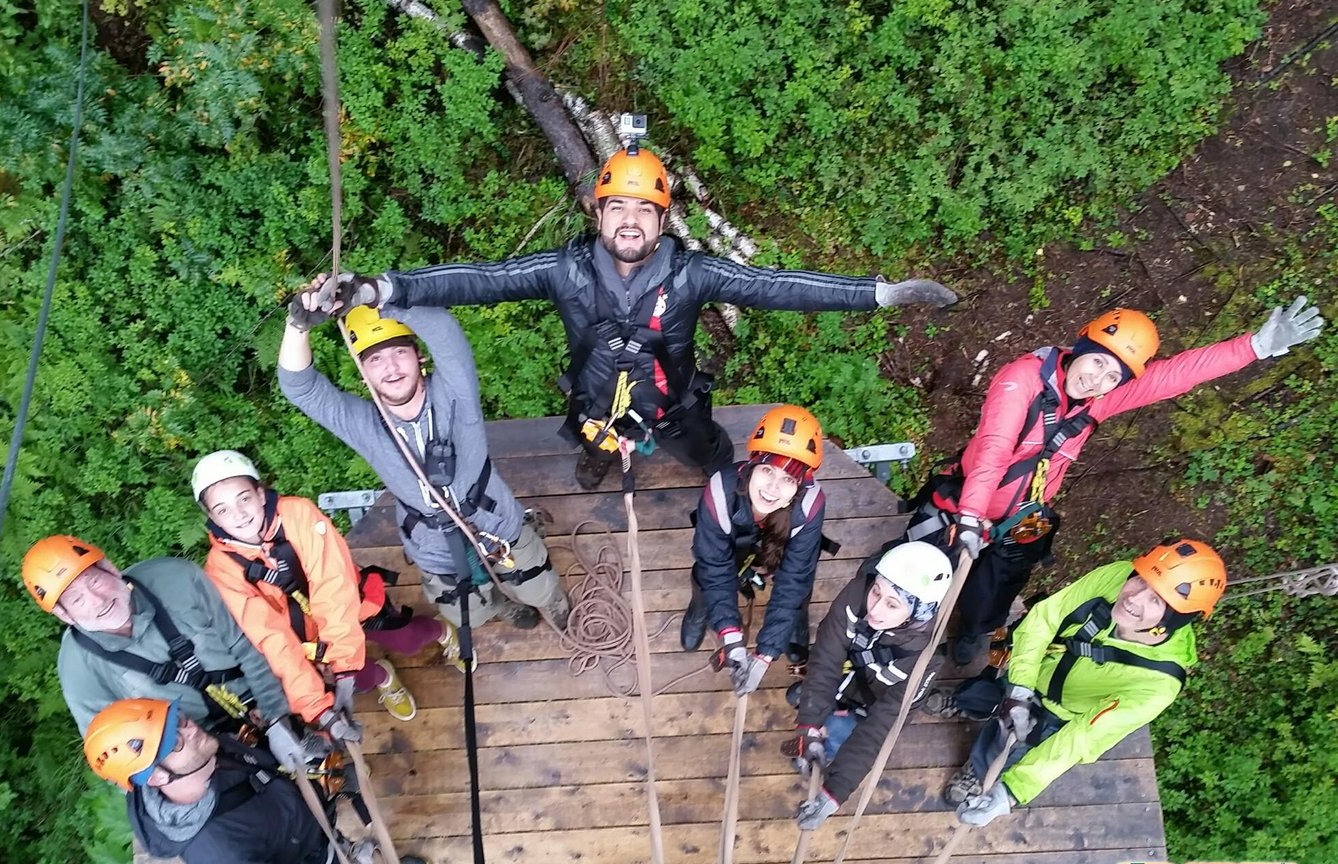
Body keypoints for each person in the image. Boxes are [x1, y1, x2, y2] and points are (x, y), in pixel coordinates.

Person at [323, 144, 957, 489]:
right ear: (597, 214)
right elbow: (481, 279)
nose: (629, 220)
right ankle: (600, 461)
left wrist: (880, 294)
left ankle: (718, 475)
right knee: (592, 442)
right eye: (617, 208)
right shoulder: (565, 270)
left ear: (662, 220)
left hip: (673, 402)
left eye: (643, 211)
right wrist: (384, 287)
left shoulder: (692, 273)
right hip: (595, 400)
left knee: (706, 450)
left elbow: (777, 286)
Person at [902, 297, 1323, 665]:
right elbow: (994, 449)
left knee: (1002, 580)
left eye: (1113, 377)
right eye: (1098, 362)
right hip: (967, 504)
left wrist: (1253, 347)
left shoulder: (1098, 399)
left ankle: (975, 627)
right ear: (1083, 346)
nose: (1097, 381)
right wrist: (973, 515)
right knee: (922, 567)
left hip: (1025, 514)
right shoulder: (1021, 381)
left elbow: (1171, 376)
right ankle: (903, 619)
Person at [280, 295, 571, 632]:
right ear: (363, 375)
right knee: (470, 612)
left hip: (494, 518)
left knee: (535, 582)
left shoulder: (454, 392)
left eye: (399, 352)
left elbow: (446, 332)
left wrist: (374, 296)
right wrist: (298, 323)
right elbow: (299, 386)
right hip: (432, 541)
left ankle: (549, 599)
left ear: (420, 358)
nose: (391, 368)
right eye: (375, 360)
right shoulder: (363, 424)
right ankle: (498, 604)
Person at [939, 539, 1226, 826]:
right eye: (1141, 581)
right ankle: (967, 702)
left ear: (1174, 621)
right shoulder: (1117, 576)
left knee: (1010, 740)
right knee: (1000, 697)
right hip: (1035, 665)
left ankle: (978, 772)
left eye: (1156, 601)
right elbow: (1045, 617)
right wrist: (1021, 687)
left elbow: (1083, 737)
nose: (1133, 598)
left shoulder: (1158, 684)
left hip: (1061, 712)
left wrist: (1011, 790)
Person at [84, 698, 429, 864]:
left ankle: (351, 856)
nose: (190, 730)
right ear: (158, 776)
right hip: (305, 858)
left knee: (333, 838)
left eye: (180, 720)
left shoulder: (208, 753)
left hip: (299, 817)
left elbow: (259, 759)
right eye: (174, 741)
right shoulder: (220, 855)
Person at [192, 449, 443, 730]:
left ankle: (444, 633)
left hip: (352, 605)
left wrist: (343, 661)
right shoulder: (221, 570)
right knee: (361, 679)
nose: (239, 515)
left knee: (406, 640)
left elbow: (332, 582)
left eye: (244, 499)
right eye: (223, 509)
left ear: (261, 494)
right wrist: (316, 706)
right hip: (307, 644)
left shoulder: (297, 514)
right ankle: (384, 678)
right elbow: (270, 637)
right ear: (212, 517)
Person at [23, 534, 309, 770]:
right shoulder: (80, 667)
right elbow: (112, 754)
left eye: (94, 582)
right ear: (65, 616)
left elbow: (245, 644)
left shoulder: (176, 580)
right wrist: (185, 778)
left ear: (110, 569)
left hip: (267, 703)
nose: (97, 601)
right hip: (201, 755)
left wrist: (276, 718)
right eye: (76, 599)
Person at [783, 542, 954, 829]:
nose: (874, 609)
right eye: (877, 592)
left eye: (892, 604)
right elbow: (826, 659)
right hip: (845, 678)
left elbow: (881, 726)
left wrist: (833, 794)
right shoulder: (856, 595)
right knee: (810, 708)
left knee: (839, 737)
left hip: (869, 704)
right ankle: (825, 721)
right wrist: (809, 727)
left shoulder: (924, 659)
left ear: (917, 614)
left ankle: (834, 733)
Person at [684, 405, 828, 693]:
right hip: (733, 546)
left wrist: (766, 653)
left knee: (800, 587)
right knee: (705, 574)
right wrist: (730, 635)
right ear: (751, 465)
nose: (772, 488)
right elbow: (716, 566)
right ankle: (702, 609)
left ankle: (791, 625)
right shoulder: (720, 492)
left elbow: (793, 578)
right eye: (767, 471)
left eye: (788, 479)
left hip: (779, 548)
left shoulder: (810, 508)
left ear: (799, 486)